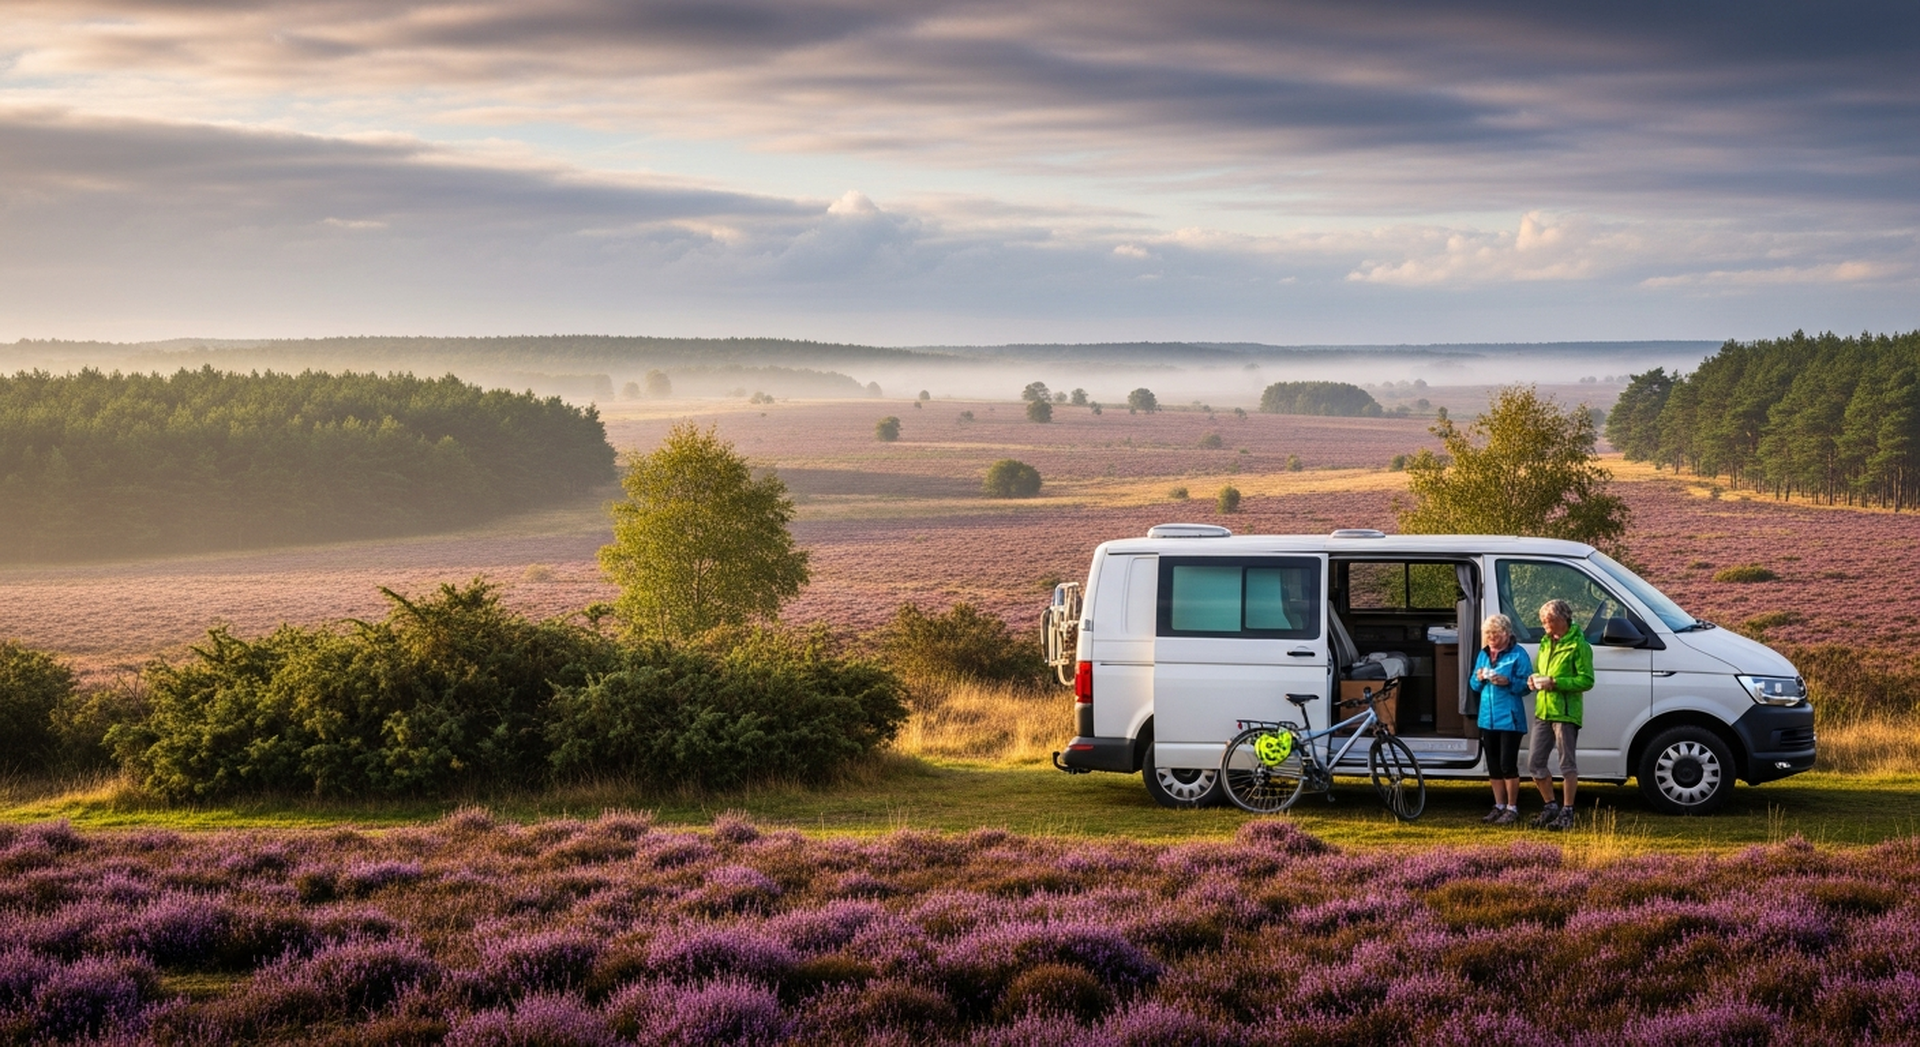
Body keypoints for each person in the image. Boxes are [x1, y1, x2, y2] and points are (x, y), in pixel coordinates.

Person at [1528, 598, 1595, 831]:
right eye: (1543, 621)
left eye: (1547, 621)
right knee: (1535, 763)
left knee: (1567, 764)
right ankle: (1550, 806)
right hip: (1543, 710)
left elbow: (1587, 680)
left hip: (1566, 713)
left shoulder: (1580, 646)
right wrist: (1533, 680)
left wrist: (1555, 682)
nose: (1544, 625)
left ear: (1561, 620)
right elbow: (1540, 671)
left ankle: (1568, 811)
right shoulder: (1545, 643)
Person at [1469, 613, 1532, 826]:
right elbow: (1473, 685)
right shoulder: (1484, 654)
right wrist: (1478, 679)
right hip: (1487, 718)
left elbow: (1526, 685)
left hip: (1511, 718)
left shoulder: (1518, 654)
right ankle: (1499, 805)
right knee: (1493, 765)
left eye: (1495, 633)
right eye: (1488, 634)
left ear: (1506, 633)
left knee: (1507, 764)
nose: (1491, 638)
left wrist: (1508, 681)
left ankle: (1512, 807)